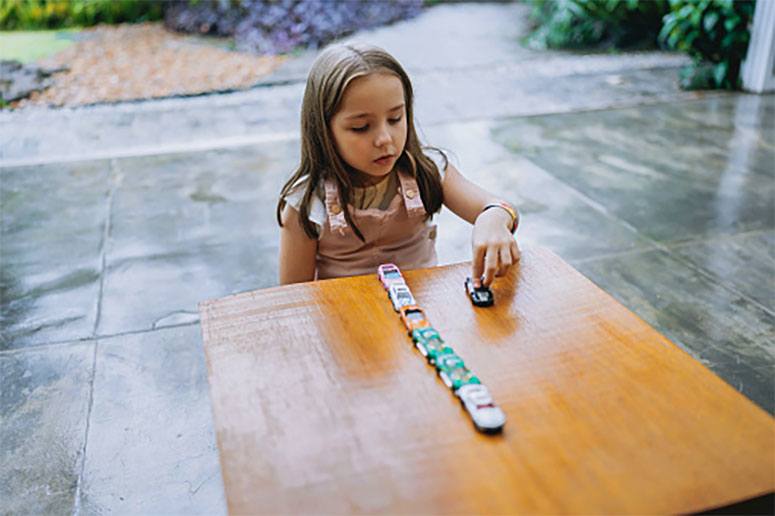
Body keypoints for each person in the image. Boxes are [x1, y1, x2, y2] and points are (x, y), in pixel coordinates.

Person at [276, 43, 519, 286]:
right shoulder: (306, 205)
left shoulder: (427, 171)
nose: (385, 139)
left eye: (395, 118)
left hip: (423, 315)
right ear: (323, 131)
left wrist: (493, 219)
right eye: (361, 127)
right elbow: (294, 301)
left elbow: (500, 207)